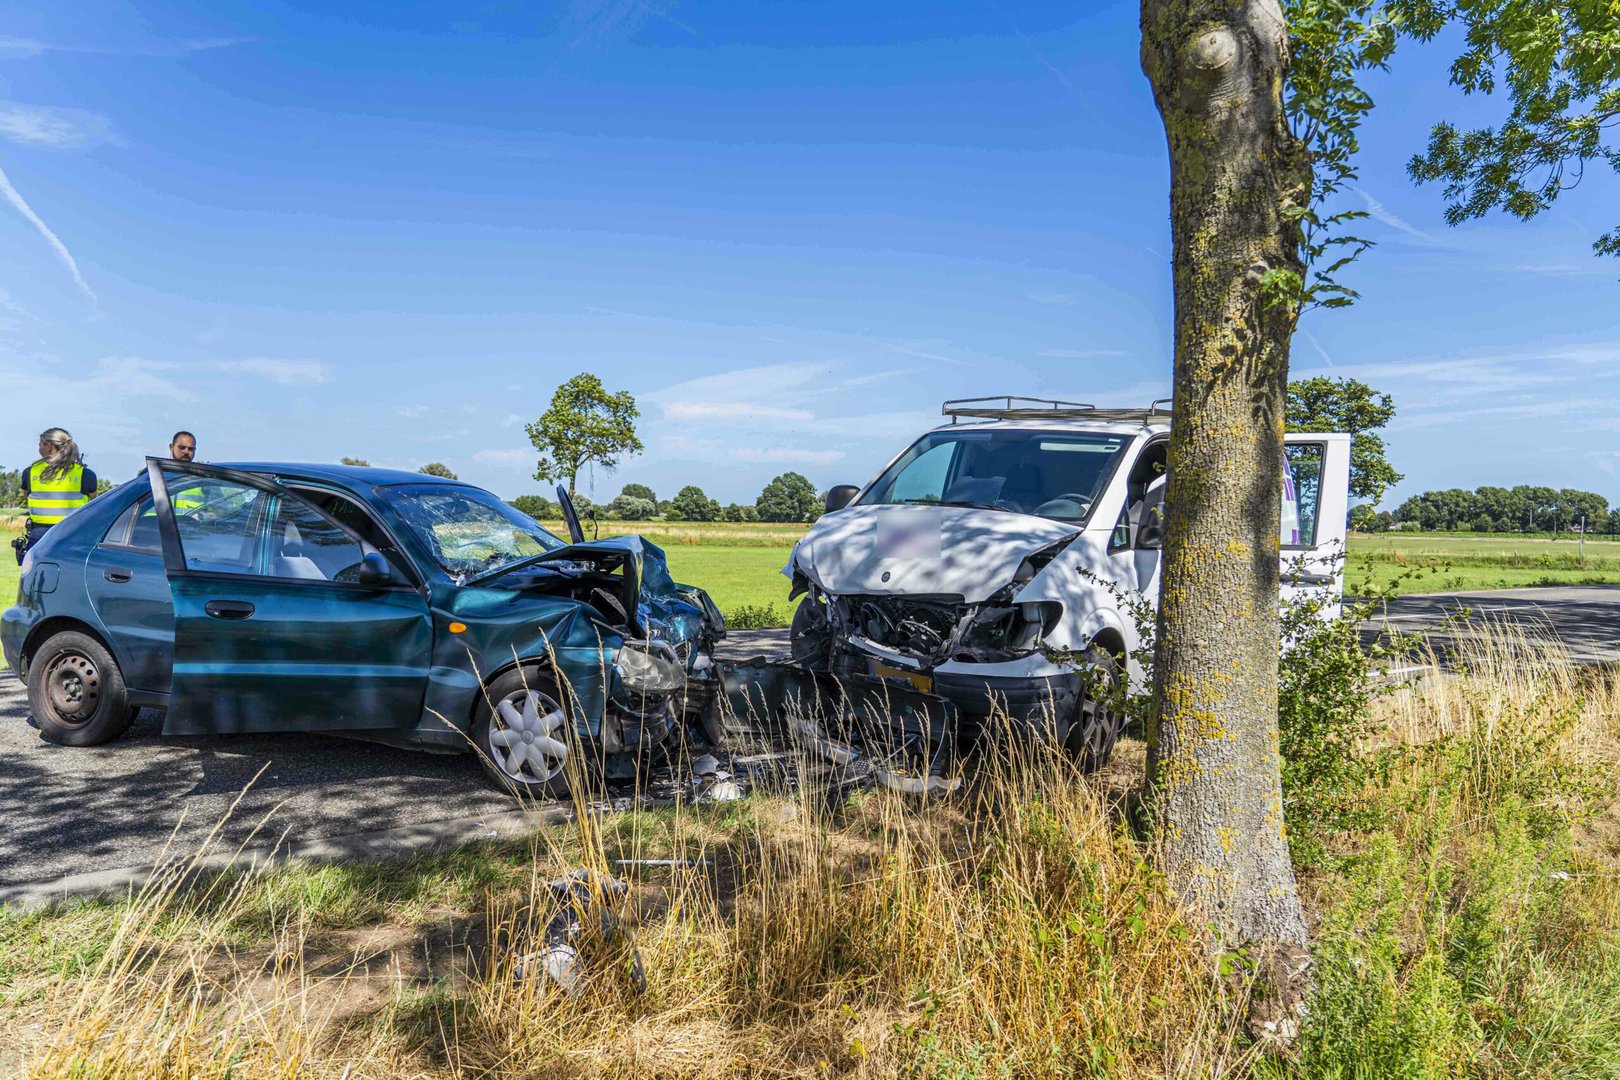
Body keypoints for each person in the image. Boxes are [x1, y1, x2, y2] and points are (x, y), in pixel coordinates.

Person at [15, 428, 97, 563]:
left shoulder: (30, 473)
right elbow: (93, 501)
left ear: (49, 447)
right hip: (73, 537)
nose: (39, 448)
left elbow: (26, 496)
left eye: (40, 445)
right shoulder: (85, 474)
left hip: (39, 537)